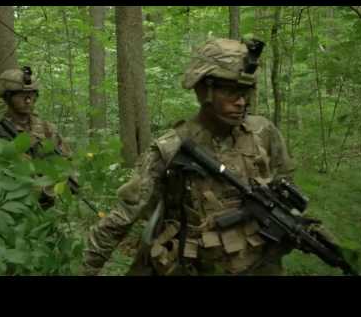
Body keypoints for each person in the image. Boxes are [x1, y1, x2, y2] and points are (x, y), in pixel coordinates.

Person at [83, 37, 296, 276]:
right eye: (230, 91)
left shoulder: (263, 133)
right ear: (203, 89)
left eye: (245, 92)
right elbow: (118, 221)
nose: (241, 102)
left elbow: (286, 190)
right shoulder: (171, 148)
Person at [0, 66, 72, 209]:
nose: (29, 101)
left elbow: (66, 163)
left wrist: (51, 186)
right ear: (7, 97)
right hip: (3, 205)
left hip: (43, 207)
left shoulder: (47, 129)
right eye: (22, 96)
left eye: (32, 95)